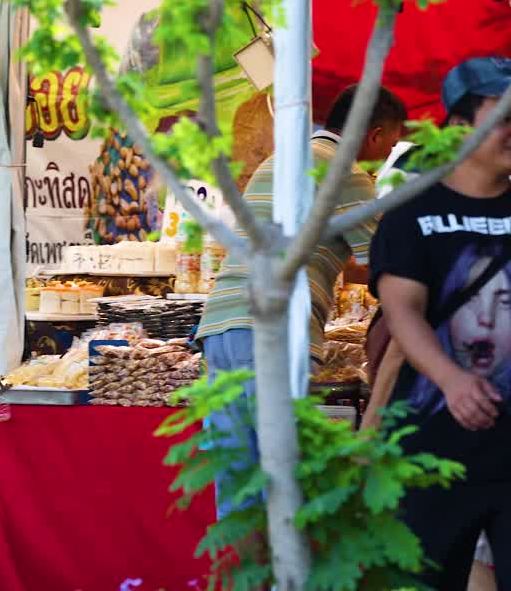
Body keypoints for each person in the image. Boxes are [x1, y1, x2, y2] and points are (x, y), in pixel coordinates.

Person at [195, 84, 407, 517]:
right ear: (375, 134)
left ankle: (244, 580)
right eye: (390, 142)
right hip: (274, 330)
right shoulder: (345, 170)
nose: (386, 155)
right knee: (282, 479)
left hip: (221, 325)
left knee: (239, 485)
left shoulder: (279, 161)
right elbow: (381, 266)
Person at [372, 56, 511, 590]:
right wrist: (450, 380)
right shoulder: (413, 214)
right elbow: (401, 310)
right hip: (433, 450)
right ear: (458, 126)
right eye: (503, 114)